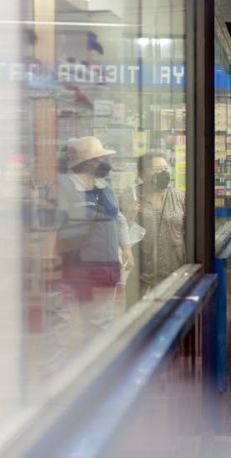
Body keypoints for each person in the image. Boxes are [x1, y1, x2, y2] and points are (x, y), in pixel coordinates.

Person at [45, 136, 133, 371]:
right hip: (69, 268)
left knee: (100, 324)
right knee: (60, 322)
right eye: (103, 158)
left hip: (102, 269)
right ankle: (54, 374)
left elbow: (119, 219)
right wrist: (49, 261)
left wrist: (126, 248)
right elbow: (51, 227)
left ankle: (95, 371)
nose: (108, 161)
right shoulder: (62, 188)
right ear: (91, 162)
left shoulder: (105, 189)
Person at [121, 152, 185, 293]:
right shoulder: (129, 197)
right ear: (142, 174)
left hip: (175, 276)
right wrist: (130, 215)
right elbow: (119, 232)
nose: (163, 173)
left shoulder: (180, 197)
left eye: (165, 169)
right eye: (157, 169)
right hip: (141, 280)